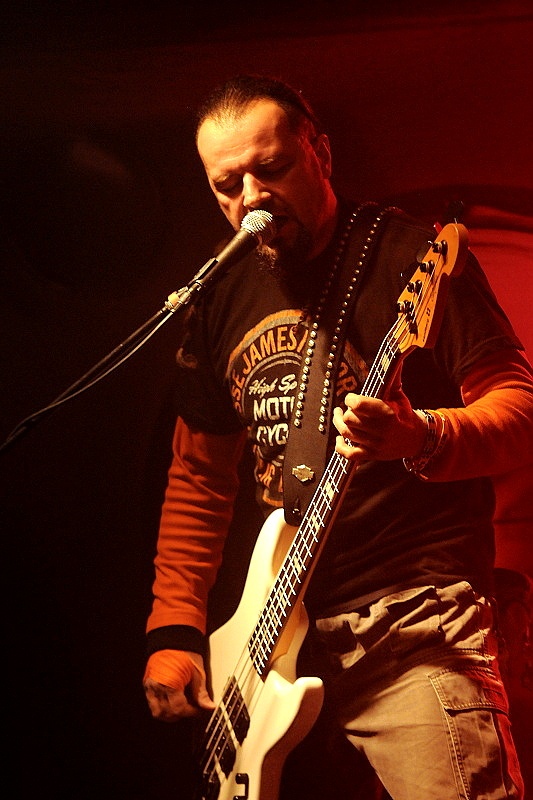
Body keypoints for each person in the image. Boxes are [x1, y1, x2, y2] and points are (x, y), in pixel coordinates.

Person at [143, 74, 533, 799]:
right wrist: (175, 626)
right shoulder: (219, 293)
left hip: (415, 628)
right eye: (226, 185)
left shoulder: (410, 257)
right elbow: (198, 476)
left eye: (270, 168)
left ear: (319, 152)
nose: (251, 198)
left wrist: (421, 436)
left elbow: (519, 412)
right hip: (277, 639)